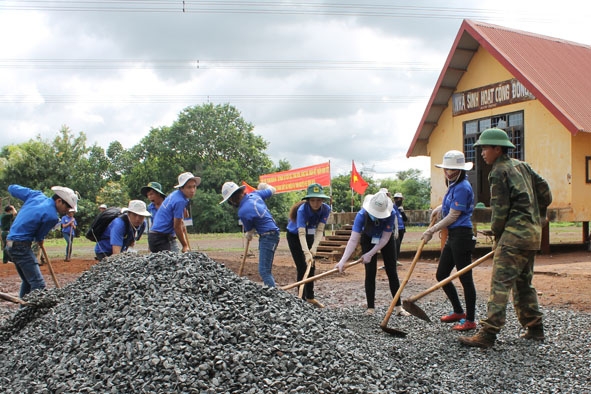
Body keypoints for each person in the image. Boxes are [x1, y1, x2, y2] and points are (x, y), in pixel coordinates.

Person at [459, 128, 552, 348]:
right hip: (531, 236)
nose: (481, 152)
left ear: (497, 149)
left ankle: (488, 334)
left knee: (500, 284)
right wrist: (538, 216)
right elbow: (546, 192)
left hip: (513, 236)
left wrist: (498, 235)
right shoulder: (523, 166)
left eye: (484, 148)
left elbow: (500, 211)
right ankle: (535, 328)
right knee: (523, 283)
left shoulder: (498, 171)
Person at [421, 150, 477, 331]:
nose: (448, 172)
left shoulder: (462, 186)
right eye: (446, 168)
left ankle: (470, 319)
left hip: (462, 235)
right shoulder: (454, 185)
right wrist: (439, 208)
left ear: (459, 169)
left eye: (451, 169)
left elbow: (453, 215)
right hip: (453, 236)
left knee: (465, 278)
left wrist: (432, 230)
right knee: (442, 274)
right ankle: (458, 311)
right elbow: (449, 206)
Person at [335, 190, 409, 316]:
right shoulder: (361, 215)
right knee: (370, 272)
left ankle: (398, 307)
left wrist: (371, 253)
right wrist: (342, 261)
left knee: (392, 271)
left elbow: (385, 238)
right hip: (368, 238)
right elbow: (353, 239)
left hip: (386, 240)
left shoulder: (391, 214)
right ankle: (370, 308)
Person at [5, 185, 78, 298]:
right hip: (21, 246)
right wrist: (40, 240)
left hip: (10, 245)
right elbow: (39, 237)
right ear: (59, 201)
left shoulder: (36, 195)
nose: (66, 211)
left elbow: (12, 188)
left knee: (28, 281)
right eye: (67, 208)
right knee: (38, 284)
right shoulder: (52, 216)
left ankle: (23, 311)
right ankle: (33, 314)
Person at [220, 181, 279, 288]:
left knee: (264, 271)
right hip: (271, 234)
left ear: (232, 200)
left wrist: (249, 234)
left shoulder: (242, 211)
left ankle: (274, 295)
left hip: (268, 236)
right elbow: (272, 189)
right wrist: (264, 186)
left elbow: (250, 230)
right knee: (265, 270)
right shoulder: (255, 194)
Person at [286, 183, 331, 308]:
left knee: (311, 266)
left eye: (318, 200)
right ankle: (300, 299)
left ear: (322, 200)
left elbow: (320, 230)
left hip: (310, 235)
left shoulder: (326, 209)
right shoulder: (302, 210)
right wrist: (306, 252)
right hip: (295, 236)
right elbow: (301, 233)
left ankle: (310, 297)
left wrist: (314, 248)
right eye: (312, 200)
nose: (316, 203)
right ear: (308, 200)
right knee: (302, 266)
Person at [148, 172, 199, 253]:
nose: (192, 190)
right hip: (159, 238)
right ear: (181, 188)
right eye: (189, 187)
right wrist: (185, 245)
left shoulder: (176, 195)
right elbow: (177, 227)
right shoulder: (180, 201)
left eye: (194, 187)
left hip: (160, 236)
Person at [393, 192, 408, 263]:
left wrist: (402, 211)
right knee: (396, 244)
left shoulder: (401, 209)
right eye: (398, 199)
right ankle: (393, 260)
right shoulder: (392, 208)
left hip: (401, 229)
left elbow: (405, 219)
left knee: (398, 246)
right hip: (395, 229)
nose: (399, 201)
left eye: (400, 199)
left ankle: (396, 260)